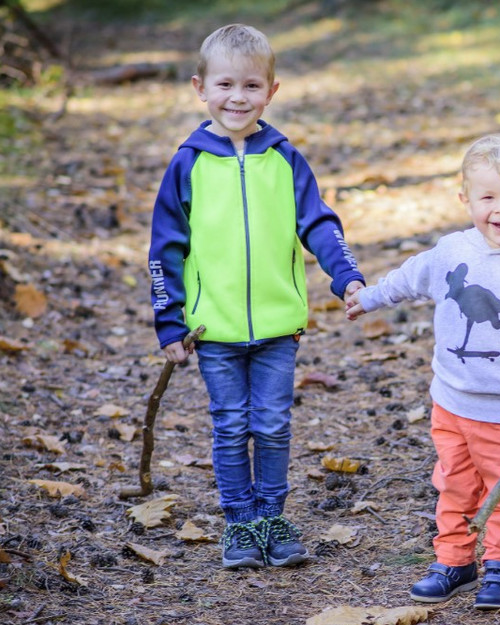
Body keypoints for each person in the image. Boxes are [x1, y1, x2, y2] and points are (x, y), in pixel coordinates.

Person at [148, 24, 365, 569]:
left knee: (271, 424)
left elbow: (319, 223)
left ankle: (272, 514)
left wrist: (347, 277)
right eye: (225, 85)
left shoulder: (285, 158)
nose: (237, 98)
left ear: (272, 91)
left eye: (250, 86)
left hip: (277, 326)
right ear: (201, 88)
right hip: (212, 329)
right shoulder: (188, 163)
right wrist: (168, 323)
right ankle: (239, 523)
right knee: (230, 424)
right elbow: (165, 248)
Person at [346, 134, 500, 610]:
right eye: (488, 197)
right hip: (450, 402)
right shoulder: (452, 251)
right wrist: (370, 297)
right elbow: (413, 275)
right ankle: (454, 559)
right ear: (465, 199)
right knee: (453, 482)